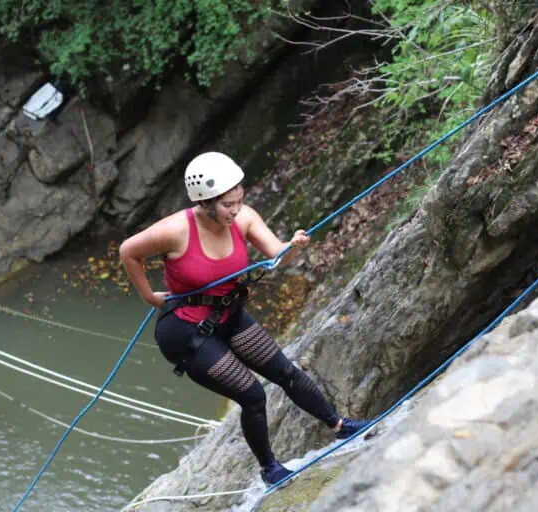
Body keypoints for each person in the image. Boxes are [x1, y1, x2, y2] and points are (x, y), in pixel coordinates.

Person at [120, 152, 372, 486]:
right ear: (206, 202)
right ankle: (270, 469)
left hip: (230, 314)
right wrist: (149, 296)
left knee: (285, 371)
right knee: (253, 394)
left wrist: (293, 246)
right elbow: (128, 251)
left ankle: (339, 427)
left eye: (239, 200)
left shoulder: (243, 219)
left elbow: (277, 255)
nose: (235, 210)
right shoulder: (175, 230)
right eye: (227, 204)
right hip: (187, 332)